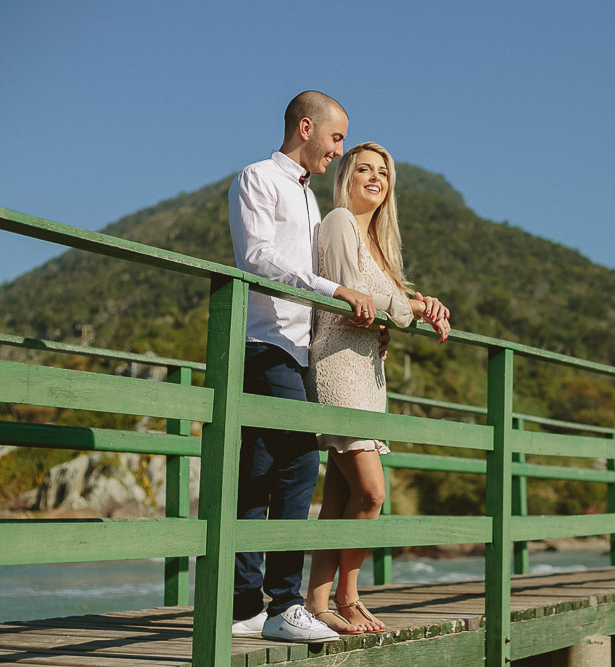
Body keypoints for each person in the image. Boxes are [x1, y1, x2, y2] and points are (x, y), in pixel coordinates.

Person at [228, 91, 382, 644]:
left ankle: (247, 604)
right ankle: (282, 603)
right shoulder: (257, 178)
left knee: (267, 470)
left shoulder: (311, 198)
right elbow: (259, 259)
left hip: (299, 349)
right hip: (264, 342)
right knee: (293, 463)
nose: (339, 152)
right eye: (337, 139)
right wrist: (334, 289)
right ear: (307, 126)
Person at [303, 142, 451, 634]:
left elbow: (386, 298)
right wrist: (408, 309)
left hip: (368, 374)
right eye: (363, 168)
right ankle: (348, 597)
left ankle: (319, 602)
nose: (374, 178)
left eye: (382, 173)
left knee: (341, 498)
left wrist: (417, 300)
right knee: (371, 493)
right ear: (345, 177)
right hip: (338, 365)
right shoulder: (340, 220)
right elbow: (352, 290)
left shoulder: (381, 245)